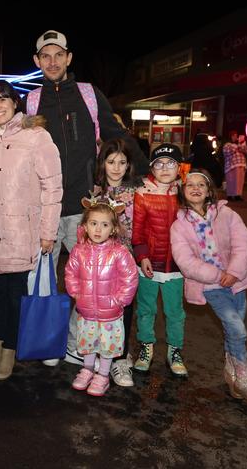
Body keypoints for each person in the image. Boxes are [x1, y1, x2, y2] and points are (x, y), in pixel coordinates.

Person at [24, 29, 148, 367]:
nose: (52, 61)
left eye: (57, 55)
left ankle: (88, 346)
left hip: (86, 209)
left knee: (92, 282)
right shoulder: (31, 101)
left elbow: (114, 134)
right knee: (45, 280)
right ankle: (51, 342)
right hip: (46, 210)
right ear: (37, 62)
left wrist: (146, 173)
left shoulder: (89, 95)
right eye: (44, 56)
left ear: (68, 58)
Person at [0, 80, 62, 381]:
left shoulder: (36, 136)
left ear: (15, 103)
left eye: (2, 99)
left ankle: (11, 346)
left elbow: (52, 188)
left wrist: (48, 231)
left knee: (15, 294)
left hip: (21, 230)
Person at [171, 169, 247, 403]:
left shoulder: (227, 214)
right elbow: (185, 261)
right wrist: (217, 275)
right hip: (210, 287)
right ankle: (245, 379)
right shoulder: (179, 226)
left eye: (201, 185)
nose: (195, 188)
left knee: (232, 331)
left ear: (209, 191)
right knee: (237, 329)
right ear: (183, 192)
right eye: (189, 185)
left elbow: (243, 244)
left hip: (238, 282)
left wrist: (234, 272)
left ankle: (231, 372)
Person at [64, 197, 138, 396]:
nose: (98, 229)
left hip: (111, 312)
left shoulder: (120, 253)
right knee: (88, 342)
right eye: (93, 223)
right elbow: (70, 273)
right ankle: (87, 370)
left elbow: (130, 278)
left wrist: (119, 300)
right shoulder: (79, 251)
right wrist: (76, 294)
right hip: (86, 309)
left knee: (107, 344)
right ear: (85, 226)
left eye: (104, 225)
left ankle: (103, 375)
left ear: (113, 229)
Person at [132, 143, 188, 377]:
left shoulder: (185, 192)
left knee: (175, 311)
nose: (165, 168)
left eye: (171, 163)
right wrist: (142, 254)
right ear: (152, 168)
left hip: (177, 265)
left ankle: (174, 351)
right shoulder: (143, 192)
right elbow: (138, 229)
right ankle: (146, 347)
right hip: (149, 264)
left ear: (179, 167)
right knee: (146, 309)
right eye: (159, 164)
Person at [92, 138, 141, 387]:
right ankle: (100, 354)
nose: (116, 167)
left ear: (129, 165)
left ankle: (120, 358)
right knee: (101, 309)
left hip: (126, 263)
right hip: (99, 263)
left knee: (125, 307)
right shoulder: (94, 192)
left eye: (122, 162)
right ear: (103, 163)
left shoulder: (136, 192)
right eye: (111, 162)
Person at [223, 131, 247, 201]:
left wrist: (242, 144)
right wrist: (239, 146)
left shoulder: (241, 144)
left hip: (241, 164)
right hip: (231, 165)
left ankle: (238, 195)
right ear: (230, 136)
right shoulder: (227, 144)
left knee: (240, 181)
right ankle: (230, 195)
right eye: (234, 135)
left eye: (236, 135)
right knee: (231, 181)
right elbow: (228, 151)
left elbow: (246, 151)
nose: (236, 137)